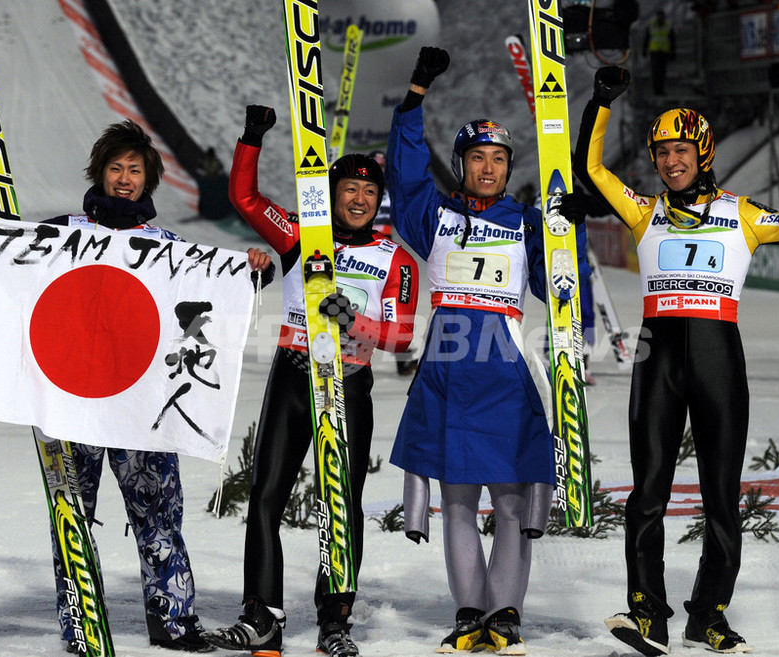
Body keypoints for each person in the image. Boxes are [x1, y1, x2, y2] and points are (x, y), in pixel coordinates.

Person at [0, 119, 274, 653]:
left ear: (148, 180)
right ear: (100, 172)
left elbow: (215, 290)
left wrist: (250, 269)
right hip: (70, 405)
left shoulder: (168, 247)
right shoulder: (62, 234)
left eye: (134, 170)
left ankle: (176, 624)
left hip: (142, 407)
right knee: (72, 517)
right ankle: (81, 624)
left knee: (159, 517)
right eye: (116, 168)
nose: (124, 178)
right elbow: (4, 270)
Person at [572, 67, 779, 656]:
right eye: (662, 152)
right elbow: (591, 170)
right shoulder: (644, 211)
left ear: (704, 152)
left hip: (720, 354)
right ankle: (646, 613)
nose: (671, 161)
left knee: (720, 493)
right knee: (648, 491)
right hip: (657, 355)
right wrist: (600, 104)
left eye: (681, 151)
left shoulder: (743, 213)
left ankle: (709, 615)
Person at [386, 47, 585, 655]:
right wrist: (416, 96)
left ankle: (506, 613)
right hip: (445, 373)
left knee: (509, 499)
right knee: (457, 501)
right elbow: (405, 172)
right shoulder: (435, 218)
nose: (490, 168)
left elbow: (558, 286)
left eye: (499, 159)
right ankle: (470, 613)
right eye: (479, 158)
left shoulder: (527, 222)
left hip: (502, 373)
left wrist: (565, 231)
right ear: (463, 164)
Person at [201, 105, 420, 657]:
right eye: (350, 189)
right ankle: (262, 619)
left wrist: (356, 323)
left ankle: (335, 621)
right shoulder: (302, 236)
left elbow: (400, 338)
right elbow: (245, 200)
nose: (360, 200)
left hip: (349, 384)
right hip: (294, 376)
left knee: (342, 504)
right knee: (267, 497)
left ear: (379, 201)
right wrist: (252, 138)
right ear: (334, 193)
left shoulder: (397, 259)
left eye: (369, 194)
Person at [368, 148, 419, 377]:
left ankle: (403, 359)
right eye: (375, 165)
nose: (378, 170)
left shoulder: (389, 190)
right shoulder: (363, 189)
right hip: (363, 245)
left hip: (384, 247)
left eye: (381, 166)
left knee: (392, 309)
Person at [643, 8, 676, 96]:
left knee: (662, 72)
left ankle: (660, 90)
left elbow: (672, 39)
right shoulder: (651, 25)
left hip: (664, 52)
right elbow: (647, 38)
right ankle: (656, 90)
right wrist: (644, 49)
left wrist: (673, 52)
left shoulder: (668, 25)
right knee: (655, 72)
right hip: (655, 52)